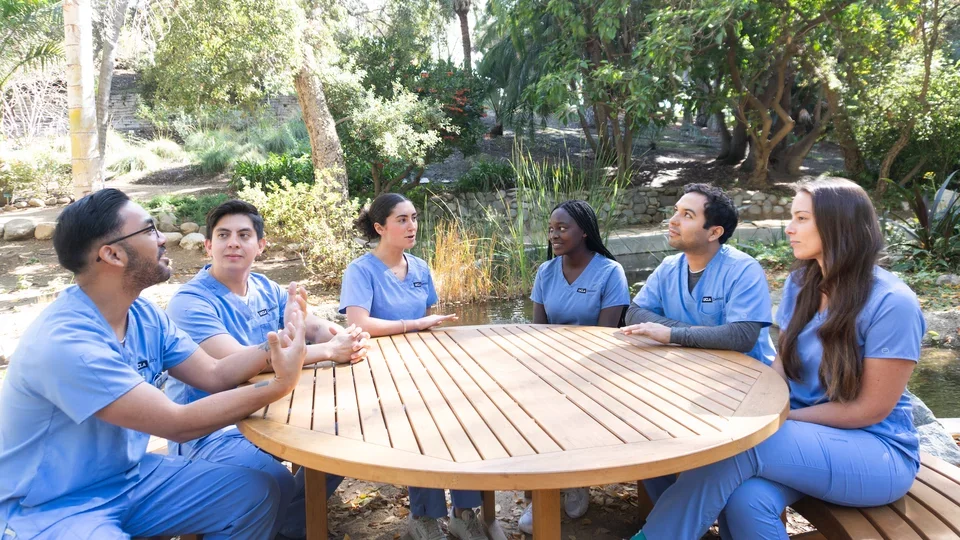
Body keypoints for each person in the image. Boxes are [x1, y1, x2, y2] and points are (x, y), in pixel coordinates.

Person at [0, 189, 308, 539]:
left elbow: (214, 373)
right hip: (49, 507)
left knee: (256, 492)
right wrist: (279, 384)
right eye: (149, 230)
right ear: (112, 254)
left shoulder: (143, 313)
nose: (163, 239)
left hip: (130, 478)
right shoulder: (68, 342)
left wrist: (276, 348)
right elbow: (176, 423)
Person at [629, 177, 926, 540]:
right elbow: (782, 365)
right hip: (801, 439)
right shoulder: (800, 284)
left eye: (801, 218)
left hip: (876, 452)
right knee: (745, 501)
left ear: (838, 225)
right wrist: (753, 407)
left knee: (735, 447)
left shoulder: (893, 303)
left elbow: (870, 410)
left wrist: (776, 419)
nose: (788, 229)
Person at [164, 199, 369, 539]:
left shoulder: (265, 288)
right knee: (271, 480)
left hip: (272, 413)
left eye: (244, 235)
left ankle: (286, 527)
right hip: (212, 427)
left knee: (342, 438)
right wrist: (329, 351)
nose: (233, 242)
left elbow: (313, 327)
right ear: (208, 246)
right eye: (223, 234)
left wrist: (345, 336)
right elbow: (235, 366)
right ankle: (278, 521)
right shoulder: (190, 302)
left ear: (260, 246)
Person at [338, 193, 488, 540]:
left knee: (464, 412)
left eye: (414, 218)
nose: (412, 226)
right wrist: (415, 325)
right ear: (380, 227)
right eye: (402, 219)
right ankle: (424, 516)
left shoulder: (419, 267)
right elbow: (358, 325)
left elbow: (428, 320)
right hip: (377, 370)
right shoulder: (360, 270)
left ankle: (465, 512)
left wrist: (425, 331)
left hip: (423, 364)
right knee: (424, 422)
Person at [621, 183, 778, 506]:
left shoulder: (742, 270)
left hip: (744, 392)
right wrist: (691, 332)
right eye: (676, 211)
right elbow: (634, 312)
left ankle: (689, 517)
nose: (673, 220)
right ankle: (671, 515)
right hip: (686, 382)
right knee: (644, 430)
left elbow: (741, 336)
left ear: (714, 232)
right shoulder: (669, 268)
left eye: (687, 215)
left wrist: (672, 334)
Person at [517, 199, 630, 533]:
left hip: (594, 370)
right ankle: (540, 496)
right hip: (549, 367)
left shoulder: (610, 272)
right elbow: (538, 330)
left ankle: (577, 479)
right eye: (551, 228)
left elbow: (605, 336)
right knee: (530, 411)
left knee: (571, 411)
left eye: (562, 228)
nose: (554, 235)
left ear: (584, 232)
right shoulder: (546, 272)